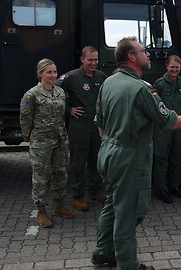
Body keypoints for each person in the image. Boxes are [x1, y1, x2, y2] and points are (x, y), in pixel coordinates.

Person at [91, 36, 181, 270]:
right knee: (131, 210)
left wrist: (111, 146)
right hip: (129, 158)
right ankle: (128, 264)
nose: (148, 54)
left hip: (109, 153)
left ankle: (103, 252)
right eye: (143, 51)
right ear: (132, 57)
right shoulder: (140, 88)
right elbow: (169, 120)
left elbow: (100, 121)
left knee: (113, 204)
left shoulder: (109, 82)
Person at [20, 58, 75, 228]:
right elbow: (25, 117)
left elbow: (63, 115)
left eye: (55, 72)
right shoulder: (32, 95)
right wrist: (28, 137)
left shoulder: (60, 92)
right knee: (41, 178)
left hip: (59, 140)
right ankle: (41, 211)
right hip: (41, 143)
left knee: (60, 173)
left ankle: (58, 206)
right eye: (49, 72)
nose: (53, 75)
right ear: (40, 74)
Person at [56, 46, 107, 211]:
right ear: (82, 59)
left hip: (96, 127)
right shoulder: (71, 77)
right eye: (90, 60)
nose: (94, 63)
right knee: (78, 163)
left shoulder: (101, 77)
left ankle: (95, 191)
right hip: (79, 127)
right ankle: (78, 196)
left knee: (96, 161)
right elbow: (54, 92)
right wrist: (68, 109)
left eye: (96, 60)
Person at [152, 55, 181, 204]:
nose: (174, 70)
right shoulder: (159, 84)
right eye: (172, 67)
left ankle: (174, 186)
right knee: (161, 158)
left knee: (178, 157)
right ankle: (162, 188)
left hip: (179, 126)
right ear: (167, 66)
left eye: (177, 67)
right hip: (163, 128)